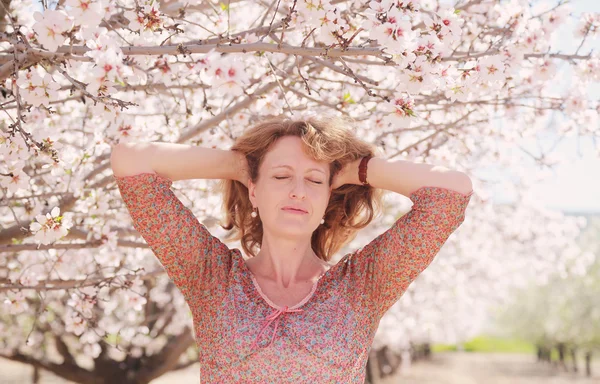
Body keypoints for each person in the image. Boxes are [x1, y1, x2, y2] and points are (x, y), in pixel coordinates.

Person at [110, 114, 474, 383]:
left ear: (329, 195)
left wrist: (354, 170)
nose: (298, 190)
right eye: (281, 176)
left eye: (314, 180)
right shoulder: (211, 277)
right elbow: (131, 161)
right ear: (253, 190)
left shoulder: (362, 287)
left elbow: (451, 193)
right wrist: (241, 164)